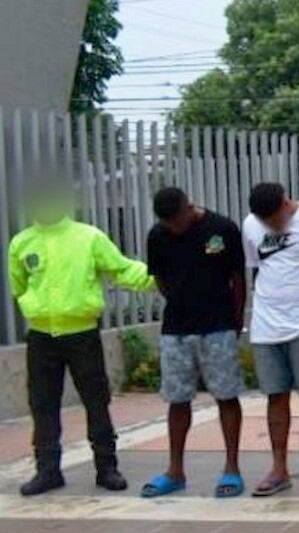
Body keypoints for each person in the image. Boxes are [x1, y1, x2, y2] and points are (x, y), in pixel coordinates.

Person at [9, 182, 154, 494]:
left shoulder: (89, 237)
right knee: (42, 403)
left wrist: (160, 276)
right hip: (41, 335)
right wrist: (34, 306)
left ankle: (107, 467)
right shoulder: (21, 242)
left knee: (96, 400)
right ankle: (47, 470)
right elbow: (18, 286)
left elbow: (122, 269)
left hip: (82, 333)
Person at [141, 187, 247, 499]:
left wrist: (235, 319)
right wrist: (180, 300)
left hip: (218, 326)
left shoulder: (222, 228)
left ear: (189, 208)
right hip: (176, 328)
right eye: (168, 224)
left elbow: (237, 278)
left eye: (178, 222)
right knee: (177, 399)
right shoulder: (157, 236)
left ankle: (232, 468)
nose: (174, 229)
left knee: (226, 396)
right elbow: (159, 279)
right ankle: (175, 471)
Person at [241, 182, 299, 497]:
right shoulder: (251, 225)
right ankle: (279, 468)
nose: (270, 224)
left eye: (275, 219)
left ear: (286, 203)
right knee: (275, 398)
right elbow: (256, 269)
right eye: (264, 221)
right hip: (266, 326)